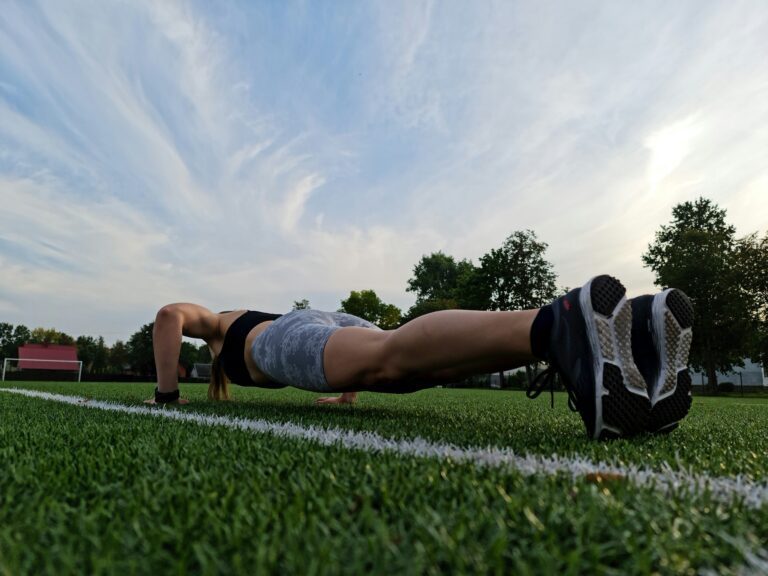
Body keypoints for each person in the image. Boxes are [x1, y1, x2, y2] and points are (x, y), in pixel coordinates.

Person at [147, 275, 693, 440]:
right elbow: (333, 340)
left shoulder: (222, 325)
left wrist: (166, 394)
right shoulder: (233, 343)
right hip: (321, 326)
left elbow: (169, 314)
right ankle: (632, 348)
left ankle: (557, 324)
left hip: (285, 337)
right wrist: (346, 388)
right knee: (408, 369)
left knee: (389, 355)